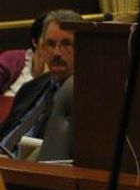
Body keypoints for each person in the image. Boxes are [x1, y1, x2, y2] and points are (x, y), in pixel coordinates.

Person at [0, 9, 83, 158]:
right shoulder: (30, 88)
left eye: (66, 44)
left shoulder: (84, 97)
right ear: (41, 48)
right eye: (50, 44)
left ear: (82, 48)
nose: (57, 53)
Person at [0, 13, 47, 97]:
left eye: (65, 43)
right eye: (50, 42)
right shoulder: (11, 60)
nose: (57, 49)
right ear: (35, 42)